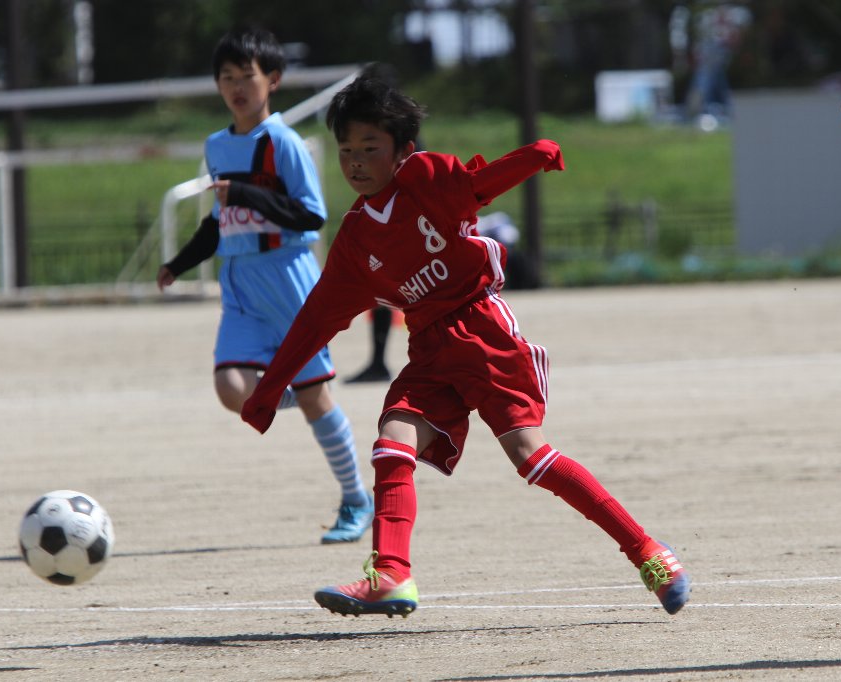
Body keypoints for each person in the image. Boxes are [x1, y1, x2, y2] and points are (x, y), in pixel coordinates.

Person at [240, 75, 692, 618]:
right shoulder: (356, 239)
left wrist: (532, 157)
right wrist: (270, 388)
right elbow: (316, 318)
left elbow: (477, 187)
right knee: (392, 439)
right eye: (346, 151)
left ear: (402, 151)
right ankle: (391, 574)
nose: (355, 162)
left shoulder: (423, 179)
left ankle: (648, 551)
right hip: (430, 349)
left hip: (481, 332)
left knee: (530, 457)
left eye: (369, 148)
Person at [156, 25, 373, 545]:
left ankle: (356, 499)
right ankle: (294, 394)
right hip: (240, 284)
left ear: (272, 79)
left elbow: (311, 216)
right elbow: (221, 219)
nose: (236, 86)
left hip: (288, 279)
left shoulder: (284, 143)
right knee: (231, 388)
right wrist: (179, 263)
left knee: (317, 399)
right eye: (226, 77)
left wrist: (246, 194)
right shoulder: (215, 146)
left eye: (246, 76)